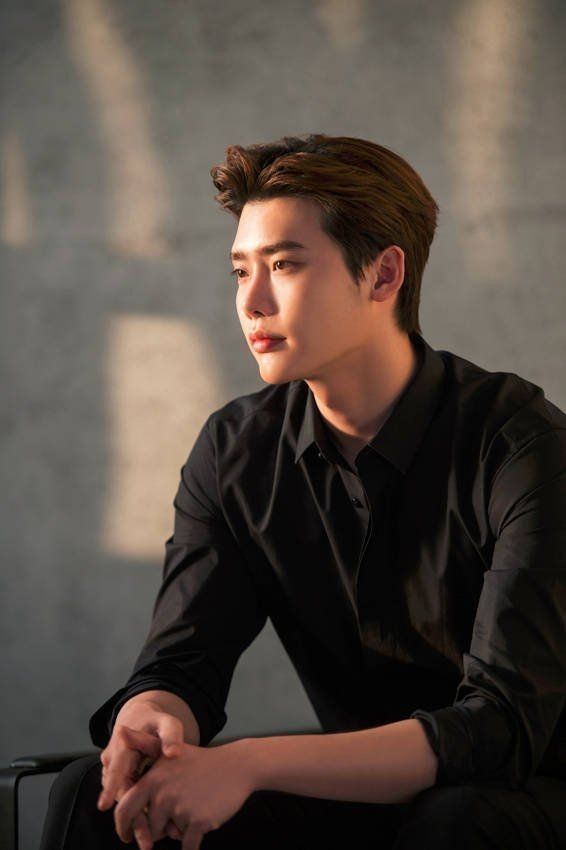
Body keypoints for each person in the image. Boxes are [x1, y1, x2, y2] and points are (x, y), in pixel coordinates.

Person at [40, 134, 566, 850]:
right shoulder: (236, 452)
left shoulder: (523, 445)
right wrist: (155, 711)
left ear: (383, 277)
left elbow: (499, 728)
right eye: (239, 271)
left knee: (459, 822)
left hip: (528, 790)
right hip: (359, 794)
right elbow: (183, 661)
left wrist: (251, 763)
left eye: (284, 265)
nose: (251, 303)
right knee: (92, 800)